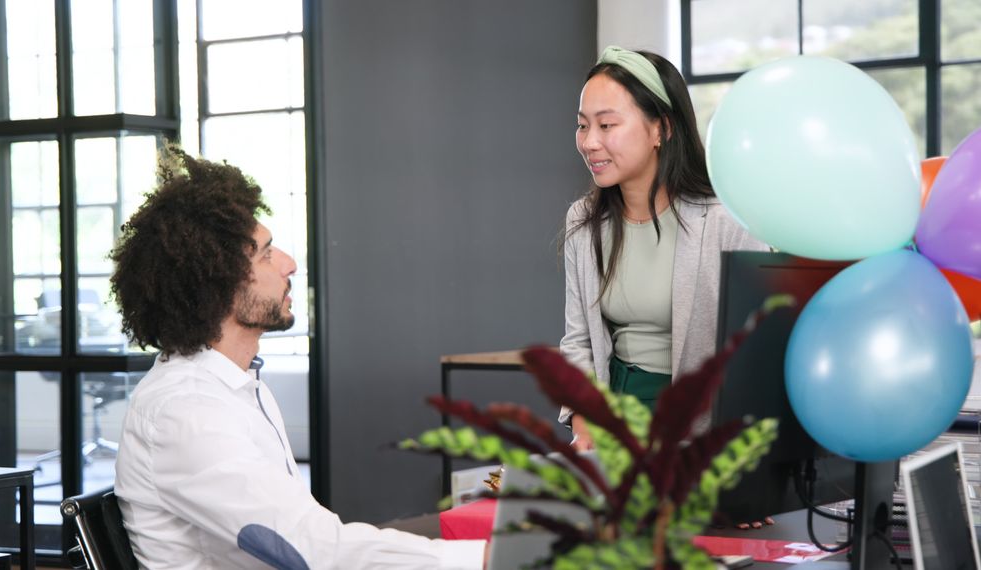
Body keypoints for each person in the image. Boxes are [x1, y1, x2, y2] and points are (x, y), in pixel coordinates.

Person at [110, 148, 486, 569]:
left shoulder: (232, 387)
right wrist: (485, 559)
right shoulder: (186, 411)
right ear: (216, 283)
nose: (288, 264)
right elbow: (314, 551)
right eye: (266, 254)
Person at [559, 46, 767, 489]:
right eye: (582, 125)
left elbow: (758, 359)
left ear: (661, 129)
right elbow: (578, 339)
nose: (589, 142)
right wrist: (583, 419)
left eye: (607, 125)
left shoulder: (727, 221)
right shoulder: (584, 221)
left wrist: (746, 477)